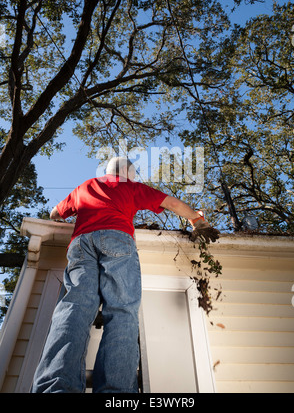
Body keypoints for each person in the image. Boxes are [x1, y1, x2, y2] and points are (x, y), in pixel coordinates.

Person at [32, 157, 219, 393]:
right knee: (121, 312)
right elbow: (171, 203)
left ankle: (54, 387)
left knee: (73, 310)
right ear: (128, 173)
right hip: (117, 238)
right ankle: (115, 392)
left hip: (81, 244)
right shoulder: (131, 186)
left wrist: (69, 211)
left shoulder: (85, 186)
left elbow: (54, 214)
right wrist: (196, 219)